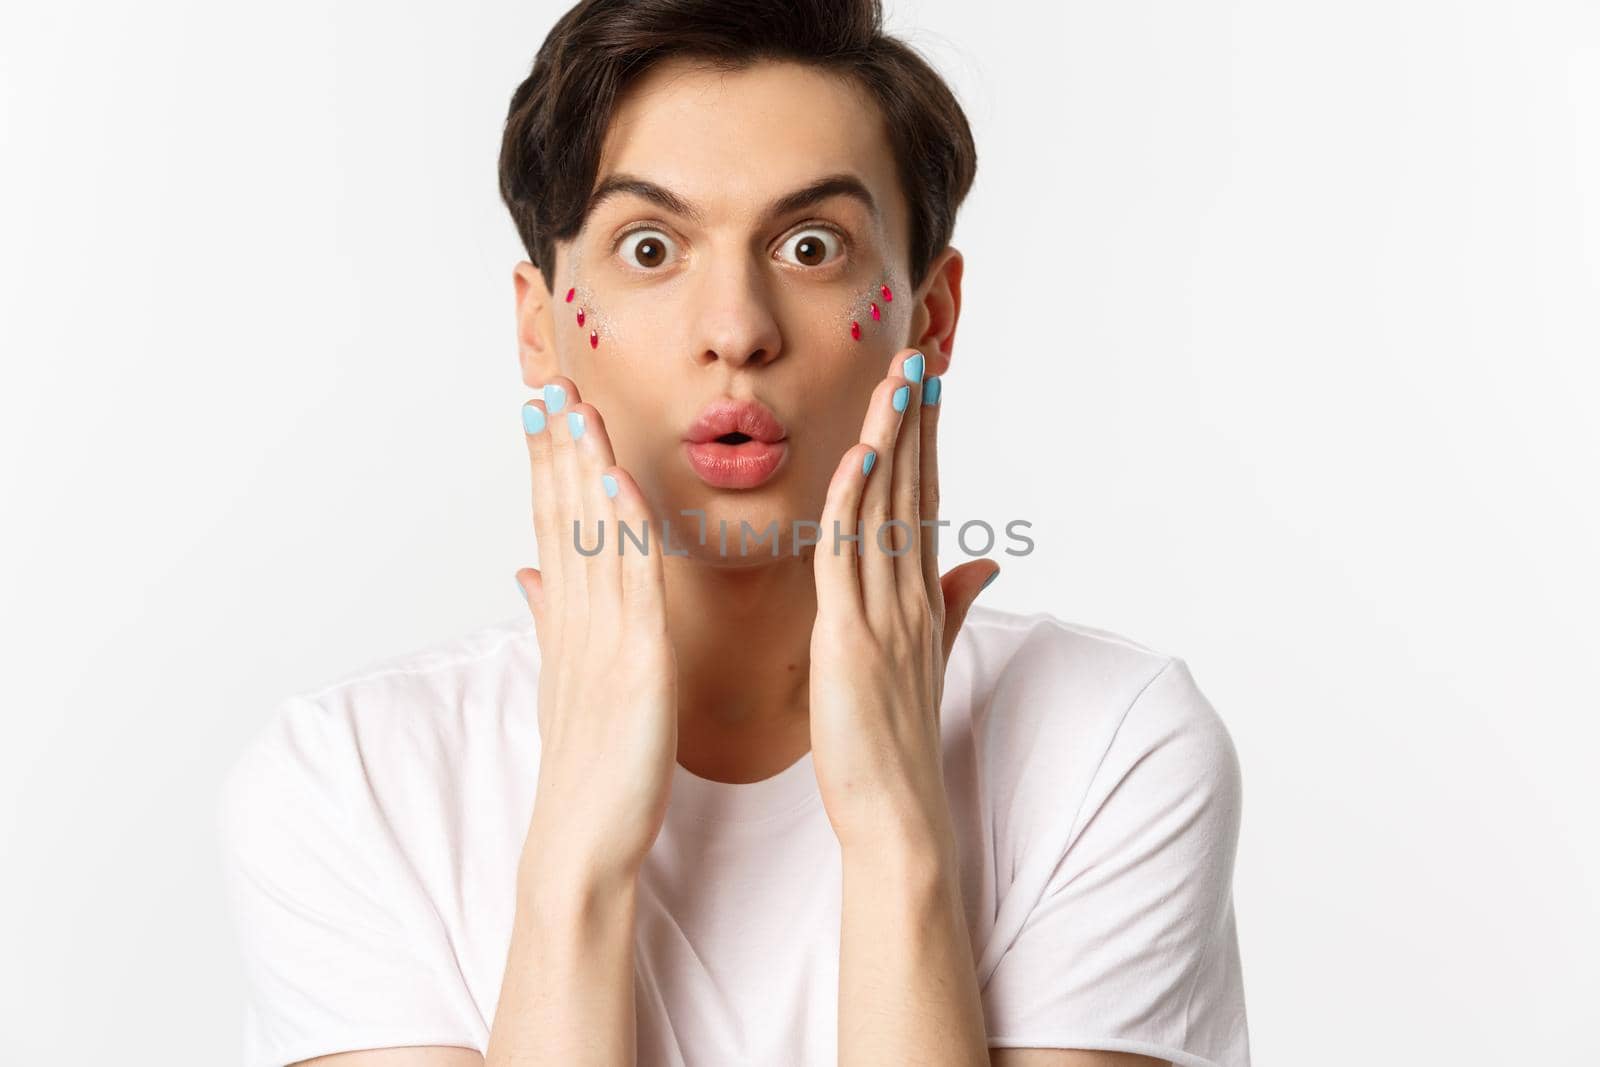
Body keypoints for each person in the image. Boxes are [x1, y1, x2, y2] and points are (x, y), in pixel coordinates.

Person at [215, 1, 1250, 1065]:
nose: (736, 331)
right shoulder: (351, 785)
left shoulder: (1105, 747)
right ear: (541, 323)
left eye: (811, 245)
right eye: (650, 246)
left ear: (929, 315)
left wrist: (899, 839)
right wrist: (574, 859)